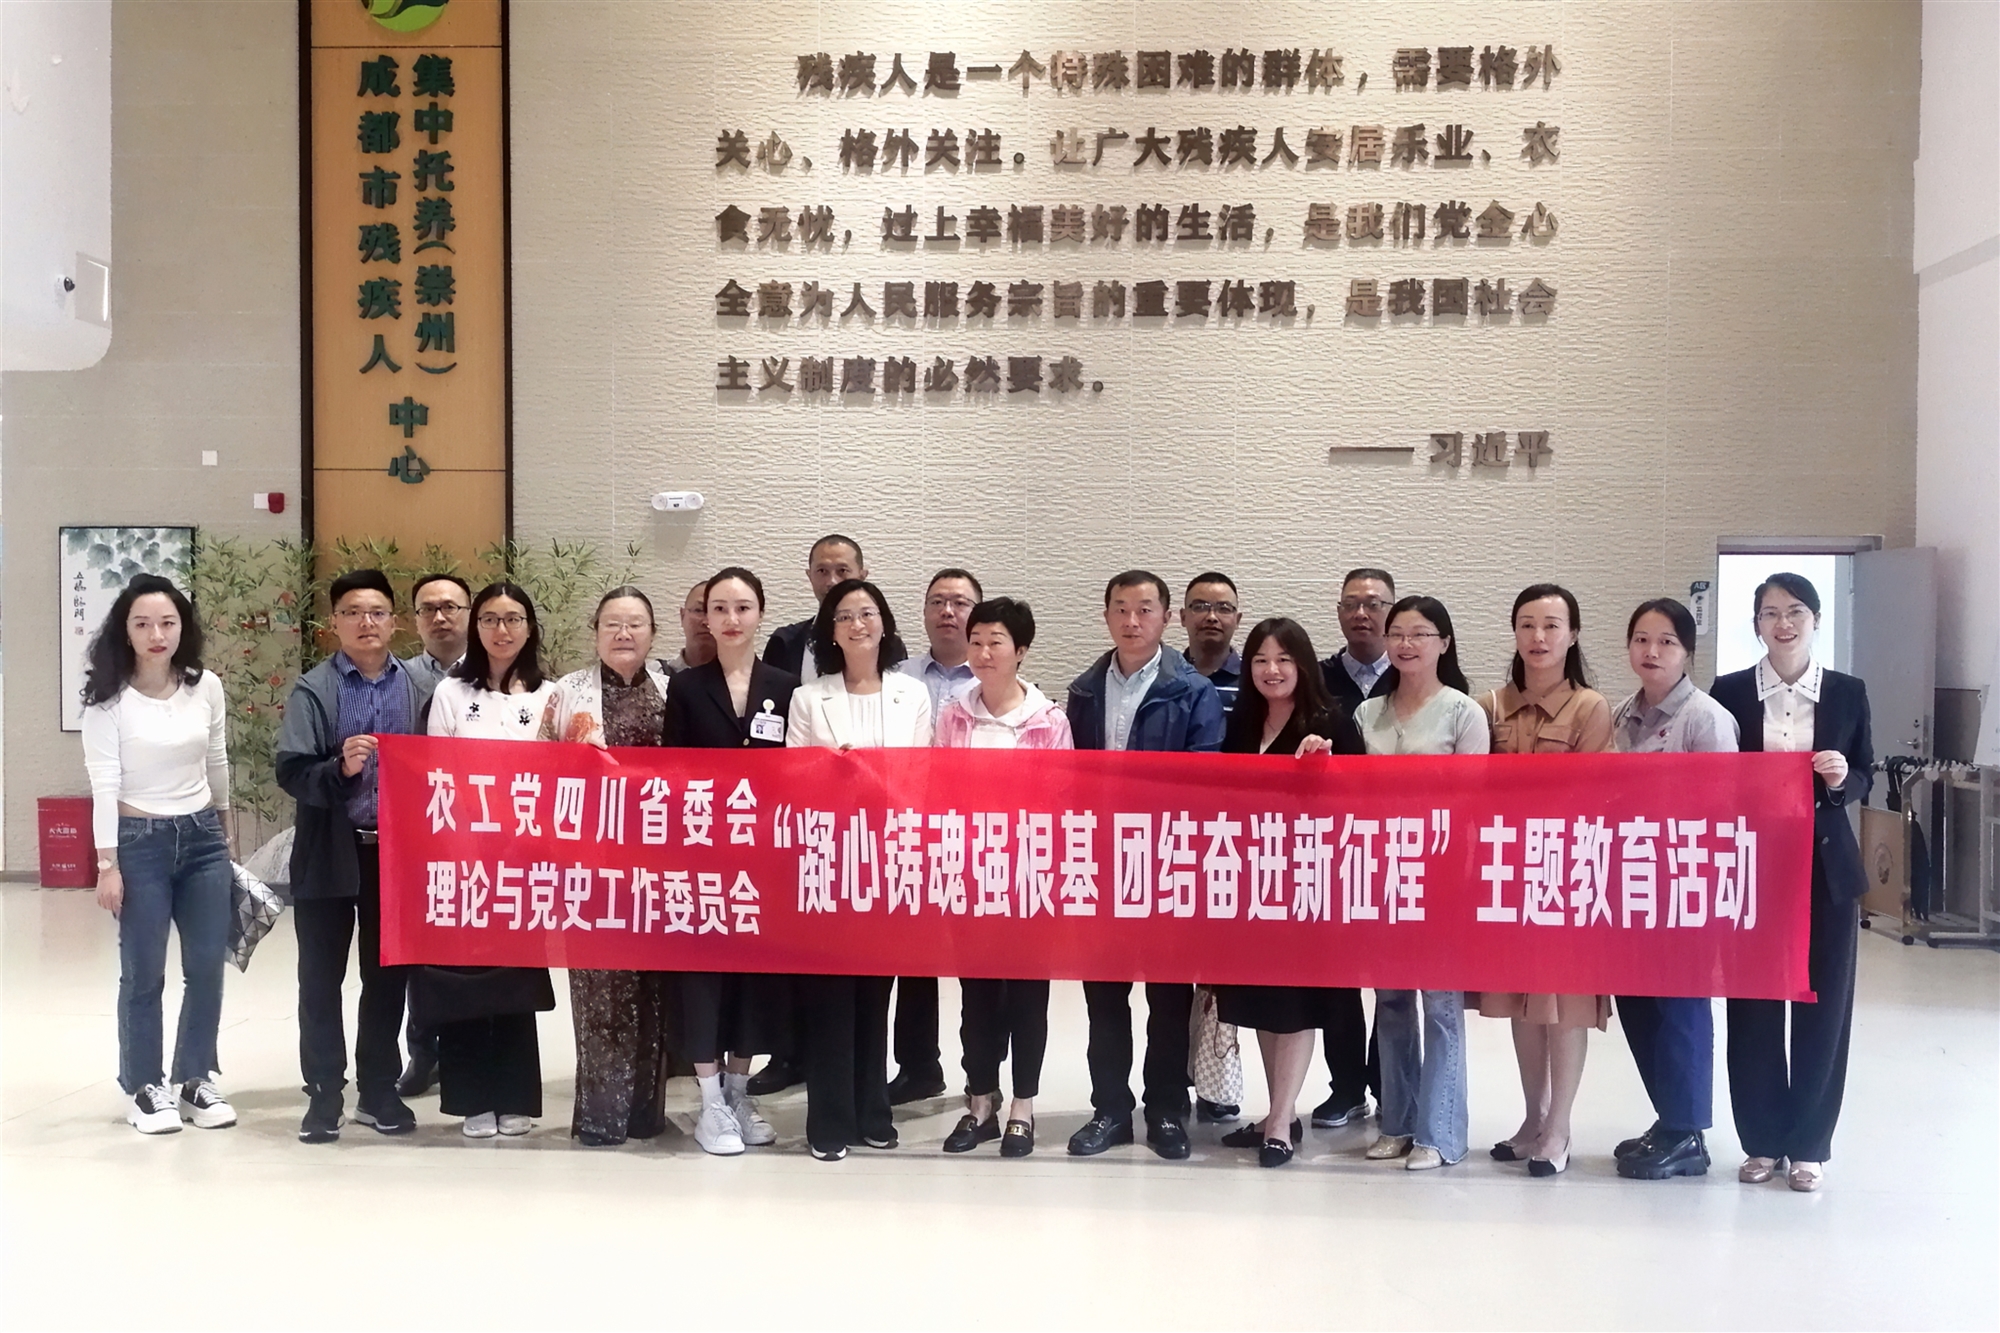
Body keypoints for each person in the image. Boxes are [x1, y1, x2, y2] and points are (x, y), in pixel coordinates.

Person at [1711, 573, 1873, 1193]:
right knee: (1752, 1004)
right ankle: (1761, 1140)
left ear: (1816, 619)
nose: (1783, 623)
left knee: (1823, 1008)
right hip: (1752, 866)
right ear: (1756, 624)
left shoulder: (1847, 691)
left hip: (1826, 868)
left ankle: (1809, 1146)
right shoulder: (1728, 692)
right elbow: (1711, 779)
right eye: (1770, 613)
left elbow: (1865, 771)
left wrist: (1840, 780)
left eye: (1796, 611)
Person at [1065, 570, 1226, 1161]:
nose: (1132, 621)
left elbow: (1204, 782)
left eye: (1145, 609)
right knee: (1103, 996)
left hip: (1166, 861)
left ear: (1167, 618)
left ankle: (1165, 1110)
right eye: (1121, 609)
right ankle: (1110, 1109)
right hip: (1100, 862)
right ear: (1106, 615)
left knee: (1167, 997)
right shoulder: (1084, 691)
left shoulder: (1193, 691)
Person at [278, 569, 435, 1143]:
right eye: (352, 612)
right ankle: (324, 1093)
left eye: (377, 612)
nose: (366, 622)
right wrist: (339, 768)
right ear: (334, 623)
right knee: (320, 979)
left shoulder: (418, 687)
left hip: (395, 853)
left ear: (395, 622)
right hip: (329, 849)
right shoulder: (314, 689)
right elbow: (292, 771)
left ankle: (377, 1089)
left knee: (387, 976)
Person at [80, 574, 236, 1135]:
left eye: (167, 622)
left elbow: (216, 761)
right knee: (144, 972)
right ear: (124, 631)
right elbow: (103, 786)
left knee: (206, 967)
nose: (157, 634)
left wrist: (225, 835)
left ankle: (194, 1078)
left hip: (203, 839)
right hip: (137, 841)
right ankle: (144, 1086)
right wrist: (107, 865)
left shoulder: (205, 686)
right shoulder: (107, 700)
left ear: (182, 628)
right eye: (143, 624)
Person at [785, 578, 932, 1160]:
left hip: (889, 860)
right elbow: (794, 779)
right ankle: (828, 1120)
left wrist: (873, 779)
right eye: (844, 616)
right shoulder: (808, 698)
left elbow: (919, 777)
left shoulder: (912, 694)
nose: (857, 624)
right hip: (826, 859)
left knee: (875, 993)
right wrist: (836, 774)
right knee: (828, 996)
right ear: (831, 630)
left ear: (884, 623)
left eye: (867, 613)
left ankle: (873, 1110)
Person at [1472, 584, 1615, 1178]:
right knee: (1522, 1005)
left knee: (1566, 1004)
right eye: (1527, 625)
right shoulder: (1488, 706)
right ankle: (1532, 1119)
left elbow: (1593, 794)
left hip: (1568, 874)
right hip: (1507, 875)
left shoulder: (1590, 708)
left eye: (1552, 626)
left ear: (1573, 635)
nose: (1539, 637)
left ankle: (1560, 1127)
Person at [1210, 618, 1363, 1167]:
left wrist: (1327, 769)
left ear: (1302, 665)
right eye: (1260, 660)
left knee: (1294, 1003)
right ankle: (1280, 1110)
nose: (1271, 671)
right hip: (1249, 883)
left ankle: (1279, 1121)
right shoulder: (1242, 721)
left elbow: (1361, 802)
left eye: (1282, 660)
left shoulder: (1330, 722)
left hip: (1305, 888)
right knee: (1260, 1001)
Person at [660, 567, 798, 1155]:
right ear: (705, 618)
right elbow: (671, 773)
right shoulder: (687, 687)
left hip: (764, 856)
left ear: (760, 613)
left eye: (742, 607)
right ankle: (710, 1100)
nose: (731, 619)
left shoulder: (786, 686)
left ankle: (740, 1092)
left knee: (754, 973)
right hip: (702, 854)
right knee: (702, 974)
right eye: (719, 608)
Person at [932, 597, 1072, 1158]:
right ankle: (980, 1102)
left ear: (1021, 651)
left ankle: (1023, 1107)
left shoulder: (1048, 720)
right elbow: (939, 790)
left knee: (1028, 997)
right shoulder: (953, 714)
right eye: (977, 641)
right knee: (977, 998)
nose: (984, 653)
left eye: (996, 642)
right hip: (969, 875)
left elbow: (1059, 803)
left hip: (1028, 878)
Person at [421, 581, 560, 1139]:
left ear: (530, 627)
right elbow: (435, 774)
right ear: (476, 627)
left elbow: (561, 778)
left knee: (514, 979)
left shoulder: (552, 695)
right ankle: (471, 1097)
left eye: (513, 619)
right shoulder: (451, 693)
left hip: (525, 858)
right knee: (464, 978)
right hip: (462, 858)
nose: (502, 630)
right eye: (490, 619)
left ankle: (514, 1094)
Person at [1607, 598, 1739, 1180]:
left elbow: (1724, 808)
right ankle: (1670, 1119)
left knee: (1681, 1005)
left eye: (1666, 642)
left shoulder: (1706, 719)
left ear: (1687, 652)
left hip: (1685, 884)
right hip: (1628, 882)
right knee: (1637, 1002)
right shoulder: (1618, 715)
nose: (1652, 651)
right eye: (1641, 639)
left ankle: (1687, 1129)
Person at [1355, 595, 1488, 1171]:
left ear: (1444, 643)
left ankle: (1441, 1133)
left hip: (1442, 876)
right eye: (1397, 634)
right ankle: (1398, 1123)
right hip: (1381, 875)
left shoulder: (1463, 713)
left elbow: (1474, 804)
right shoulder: (1368, 714)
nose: (1406, 644)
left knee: (1439, 1005)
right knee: (1390, 1003)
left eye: (1420, 634)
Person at [539, 586, 676, 1147]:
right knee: (598, 989)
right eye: (612, 624)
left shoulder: (673, 687)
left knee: (652, 989)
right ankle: (599, 1117)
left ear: (653, 633)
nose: (624, 634)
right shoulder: (567, 692)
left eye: (635, 624)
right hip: (591, 867)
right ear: (594, 632)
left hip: (662, 865)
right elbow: (538, 776)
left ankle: (645, 1113)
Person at [749, 534, 866, 1097]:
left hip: (862, 825)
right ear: (809, 578)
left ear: (862, 573)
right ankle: (788, 1053)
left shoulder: (877, 641)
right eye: (822, 570)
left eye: (843, 569)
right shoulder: (787, 641)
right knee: (789, 941)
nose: (832, 579)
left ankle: (853, 1060)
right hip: (795, 814)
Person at [887, 567, 985, 1106]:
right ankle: (918, 1066)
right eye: (937, 602)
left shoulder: (993, 676)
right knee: (912, 961)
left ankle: (980, 1077)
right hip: (905, 834)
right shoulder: (896, 675)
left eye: (960, 602)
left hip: (973, 841)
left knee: (975, 963)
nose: (948, 611)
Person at [1310, 566, 1395, 1129]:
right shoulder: (1317, 679)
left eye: (1374, 603)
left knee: (1392, 980)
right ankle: (1345, 1087)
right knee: (1335, 978)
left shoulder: (1419, 674)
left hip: (1400, 851)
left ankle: (1389, 1084)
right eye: (1350, 604)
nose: (1361, 613)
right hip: (1333, 851)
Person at [395, 571, 472, 1096]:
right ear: (415, 620)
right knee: (420, 950)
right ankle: (422, 1052)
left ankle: (469, 1054)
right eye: (428, 609)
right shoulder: (398, 678)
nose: (440, 617)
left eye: (451, 607)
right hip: (419, 833)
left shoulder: (496, 675)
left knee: (475, 949)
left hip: (484, 834)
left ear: (469, 614)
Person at [761, 534, 866, 683]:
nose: (832, 582)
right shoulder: (784, 643)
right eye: (822, 571)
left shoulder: (885, 643)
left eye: (842, 571)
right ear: (810, 575)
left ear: (862, 576)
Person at [1180, 572, 1244, 713]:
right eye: (1200, 607)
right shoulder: (1166, 675)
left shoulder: (1255, 678)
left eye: (1224, 608)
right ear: (1183, 617)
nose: (1212, 617)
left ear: (1237, 620)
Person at [657, 580, 716, 676]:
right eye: (698, 610)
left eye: (716, 611)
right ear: (682, 615)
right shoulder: (656, 675)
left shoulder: (739, 678)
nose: (706, 622)